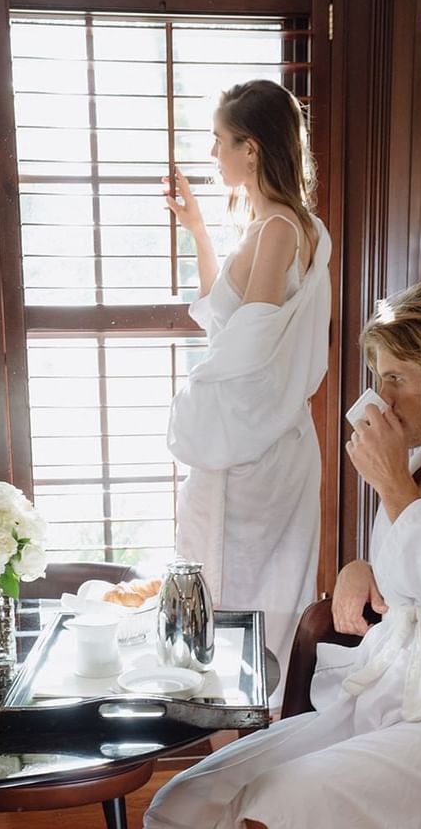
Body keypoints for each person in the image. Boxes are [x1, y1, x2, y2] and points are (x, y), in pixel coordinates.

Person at [144, 280, 421, 829]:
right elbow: (419, 569)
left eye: (394, 379)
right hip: (386, 698)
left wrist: (394, 489)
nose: (379, 399)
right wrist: (362, 568)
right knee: (186, 800)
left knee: (278, 805)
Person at [163, 80, 331, 708]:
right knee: (240, 595)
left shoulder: (279, 228)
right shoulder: (280, 225)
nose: (213, 154)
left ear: (251, 148)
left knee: (237, 599)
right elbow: (224, 317)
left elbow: (249, 346)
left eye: (220, 141)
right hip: (267, 441)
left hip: (254, 452)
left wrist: (190, 395)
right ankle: (237, 729)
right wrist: (199, 232)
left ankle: (238, 732)